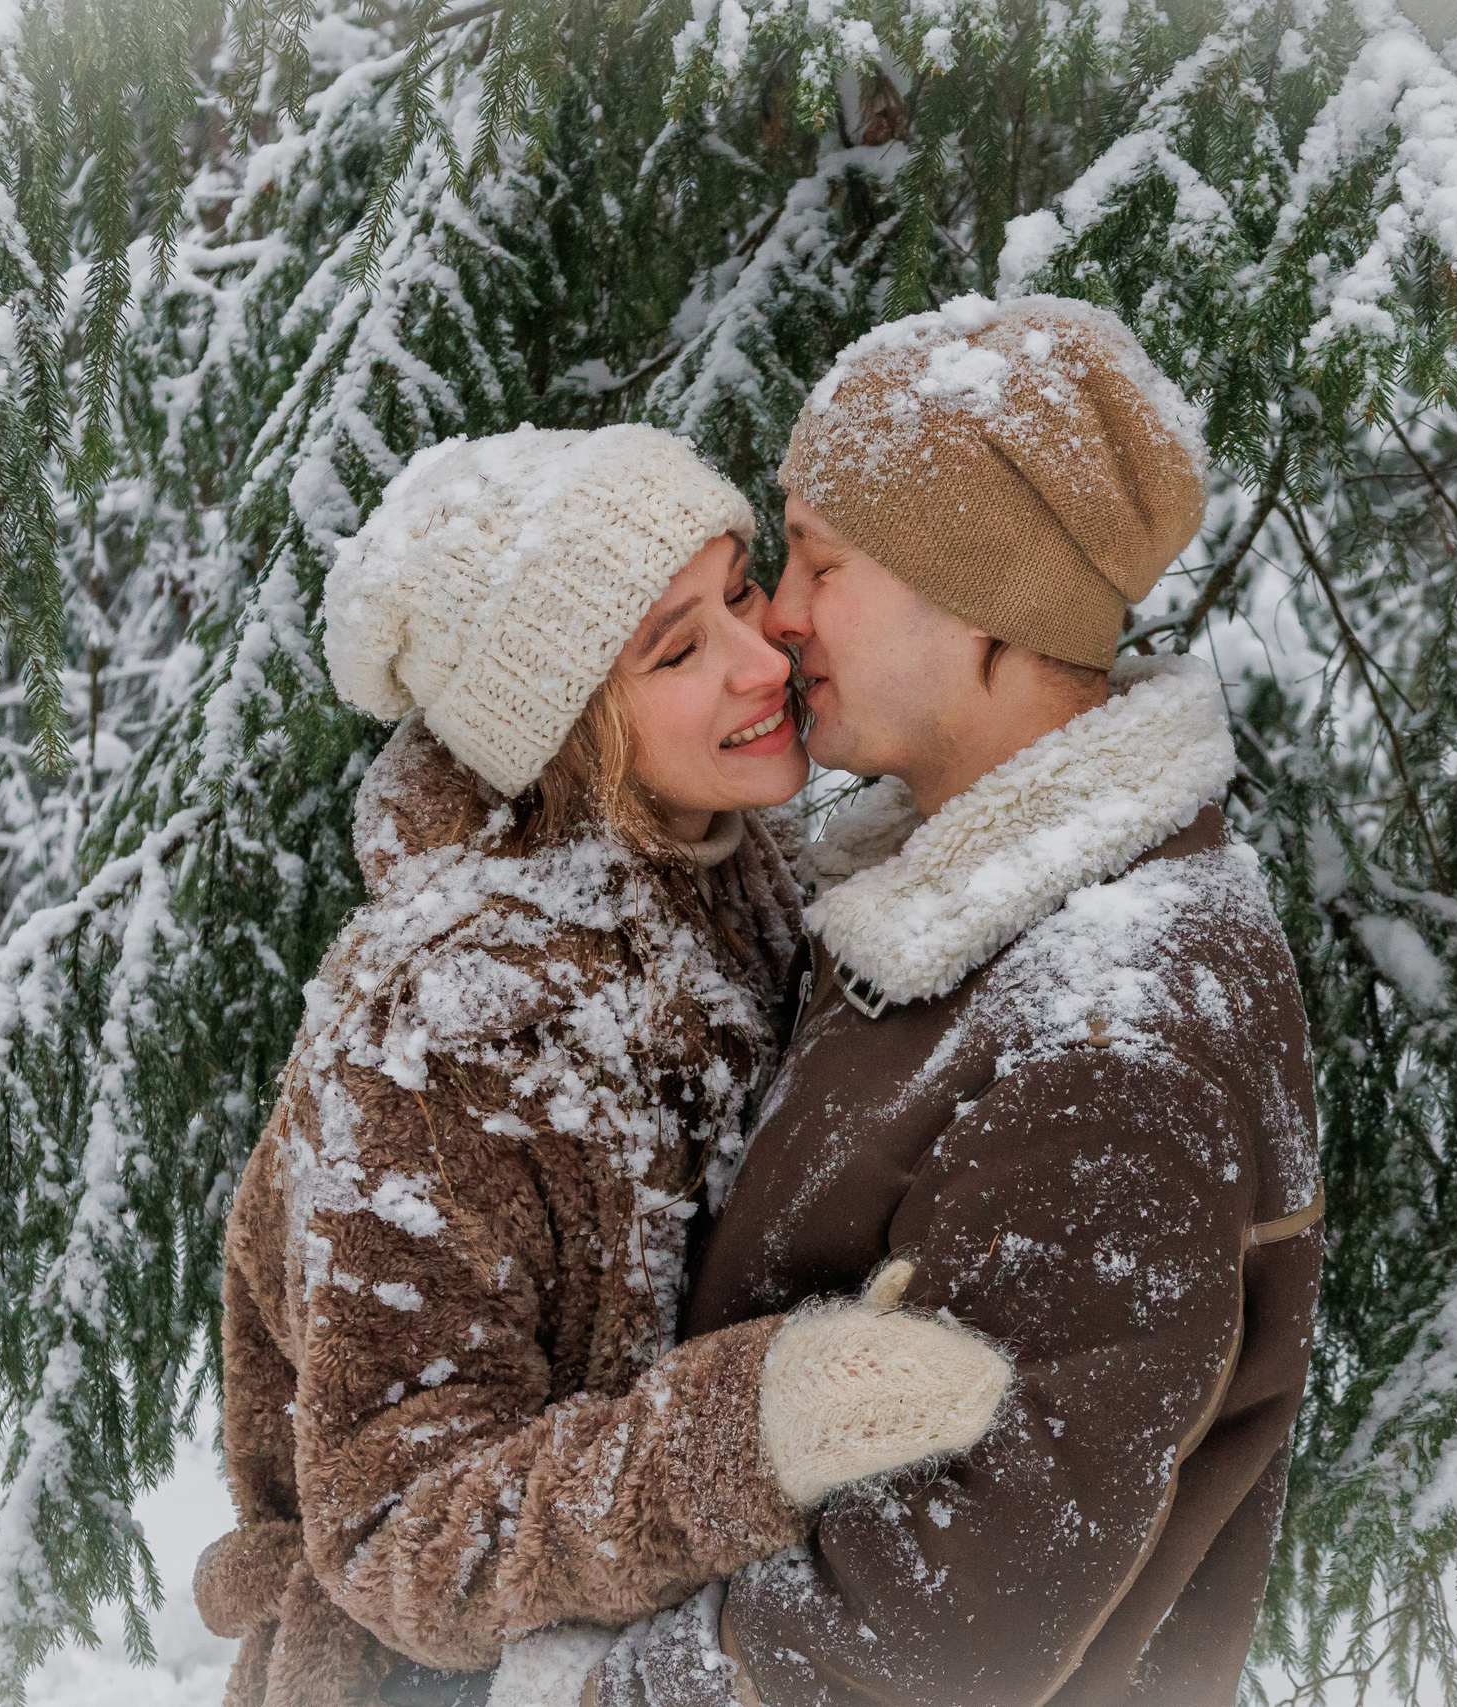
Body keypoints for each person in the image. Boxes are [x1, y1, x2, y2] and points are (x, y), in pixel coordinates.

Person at [191, 424, 1014, 1707]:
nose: (759, 662)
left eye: (741, 590)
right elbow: (396, 1530)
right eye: (676, 649)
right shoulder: (445, 1033)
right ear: (567, 731)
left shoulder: (741, 872)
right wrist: (754, 1427)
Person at [593, 298, 1326, 1707]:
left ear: (985, 599)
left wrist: (610, 1686)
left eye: (823, 560)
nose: (780, 614)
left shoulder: (1117, 1025)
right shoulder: (949, 920)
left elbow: (956, 1607)